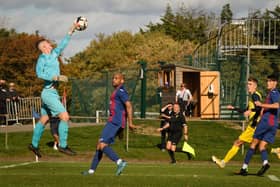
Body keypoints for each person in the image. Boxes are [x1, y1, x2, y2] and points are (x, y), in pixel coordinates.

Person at [28, 22, 80, 158]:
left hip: (52, 93)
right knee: (65, 116)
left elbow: (63, 44)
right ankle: (63, 145)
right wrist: (55, 77)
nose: (51, 45)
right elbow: (39, 74)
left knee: (44, 119)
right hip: (48, 93)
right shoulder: (42, 58)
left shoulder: (54, 54)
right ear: (44, 47)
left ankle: (33, 144)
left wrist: (71, 30)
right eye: (48, 44)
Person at [82, 73, 136, 176]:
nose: (113, 80)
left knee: (102, 144)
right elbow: (123, 109)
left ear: (122, 81)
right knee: (100, 145)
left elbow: (129, 106)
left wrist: (130, 122)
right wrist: (121, 129)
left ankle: (120, 162)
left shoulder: (121, 91)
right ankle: (91, 171)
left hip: (115, 121)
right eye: (113, 78)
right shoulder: (117, 91)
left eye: (116, 78)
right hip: (115, 121)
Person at [212, 77, 262, 168]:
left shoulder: (255, 95)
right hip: (254, 125)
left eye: (250, 84)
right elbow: (245, 110)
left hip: (254, 126)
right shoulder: (253, 97)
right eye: (247, 84)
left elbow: (259, 108)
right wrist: (233, 108)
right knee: (258, 146)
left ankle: (223, 162)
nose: (248, 86)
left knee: (238, 143)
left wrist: (251, 111)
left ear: (255, 86)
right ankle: (277, 151)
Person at [236, 74, 280, 176]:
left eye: (270, 81)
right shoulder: (274, 93)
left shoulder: (273, 92)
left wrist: (261, 105)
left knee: (253, 144)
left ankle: (244, 168)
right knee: (262, 146)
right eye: (267, 81)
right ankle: (265, 163)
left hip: (265, 122)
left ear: (275, 83)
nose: (267, 83)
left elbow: (277, 105)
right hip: (273, 124)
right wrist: (263, 109)